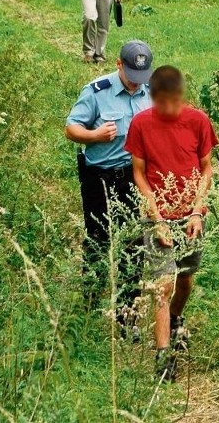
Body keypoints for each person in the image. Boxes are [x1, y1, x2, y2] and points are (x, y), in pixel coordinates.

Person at [125, 66, 218, 382]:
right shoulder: (141, 124)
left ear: (182, 96)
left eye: (174, 101)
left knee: (185, 281)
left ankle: (176, 318)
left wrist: (195, 211)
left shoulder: (197, 121)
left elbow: (206, 168)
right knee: (164, 283)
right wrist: (157, 219)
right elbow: (139, 173)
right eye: (162, 102)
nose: (168, 109)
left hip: (190, 214)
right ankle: (164, 356)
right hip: (157, 215)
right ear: (153, 98)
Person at [65, 40, 154, 334]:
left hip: (133, 178)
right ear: (118, 65)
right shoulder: (96, 92)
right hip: (99, 177)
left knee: (134, 245)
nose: (135, 83)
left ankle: (127, 316)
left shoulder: (151, 92)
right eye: (131, 76)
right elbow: (71, 128)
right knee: (98, 241)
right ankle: (89, 304)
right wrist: (95, 135)